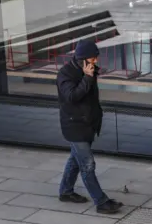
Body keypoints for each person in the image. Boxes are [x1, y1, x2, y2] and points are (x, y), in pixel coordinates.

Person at [57, 40, 123, 214]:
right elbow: (72, 96)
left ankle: (65, 191)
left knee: (75, 160)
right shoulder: (66, 74)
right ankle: (101, 202)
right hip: (74, 126)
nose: (95, 62)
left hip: (88, 124)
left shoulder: (89, 70)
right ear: (82, 59)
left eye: (96, 59)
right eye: (92, 59)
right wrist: (87, 78)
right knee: (87, 164)